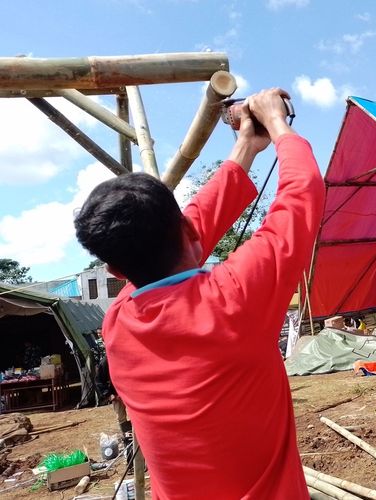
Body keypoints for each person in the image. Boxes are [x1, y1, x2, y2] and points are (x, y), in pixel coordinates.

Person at [74, 88, 325, 499]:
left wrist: (246, 144)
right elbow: (302, 193)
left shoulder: (117, 324)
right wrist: (277, 122)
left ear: (115, 271)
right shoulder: (235, 296)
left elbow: (192, 227)